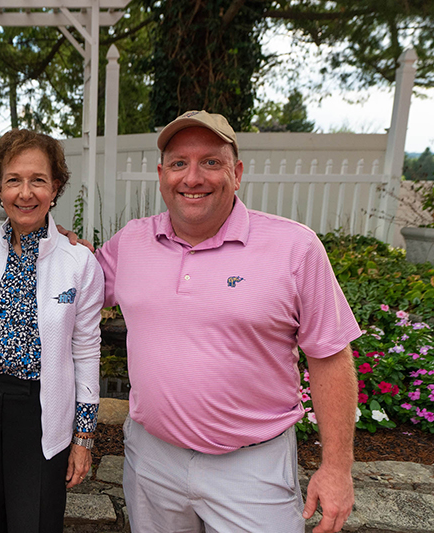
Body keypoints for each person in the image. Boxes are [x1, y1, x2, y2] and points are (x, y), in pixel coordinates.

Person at [95, 110, 361, 533]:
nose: (193, 177)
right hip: (152, 460)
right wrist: (57, 244)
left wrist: (337, 467)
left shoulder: (294, 248)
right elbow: (74, 291)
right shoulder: (131, 241)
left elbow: (330, 355)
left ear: (236, 173)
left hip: (252, 470)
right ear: (162, 175)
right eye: (179, 163)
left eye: (211, 162)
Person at [0, 129, 104, 533]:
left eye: (38, 180)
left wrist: (83, 438)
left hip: (41, 412)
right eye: (13, 180)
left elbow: (86, 351)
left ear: (56, 187)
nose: (25, 193)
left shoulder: (78, 262)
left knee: (34, 522)